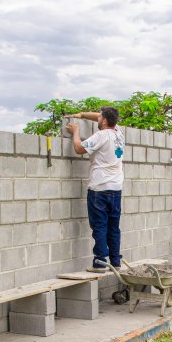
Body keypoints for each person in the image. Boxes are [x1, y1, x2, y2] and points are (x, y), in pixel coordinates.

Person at [66, 107, 125, 273]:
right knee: (113, 227)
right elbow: (101, 117)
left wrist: (76, 131)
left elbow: (79, 149)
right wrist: (82, 114)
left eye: (100, 117)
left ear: (104, 121)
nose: (97, 119)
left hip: (99, 189)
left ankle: (99, 263)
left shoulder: (101, 136)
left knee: (99, 226)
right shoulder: (119, 133)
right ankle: (115, 262)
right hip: (116, 188)